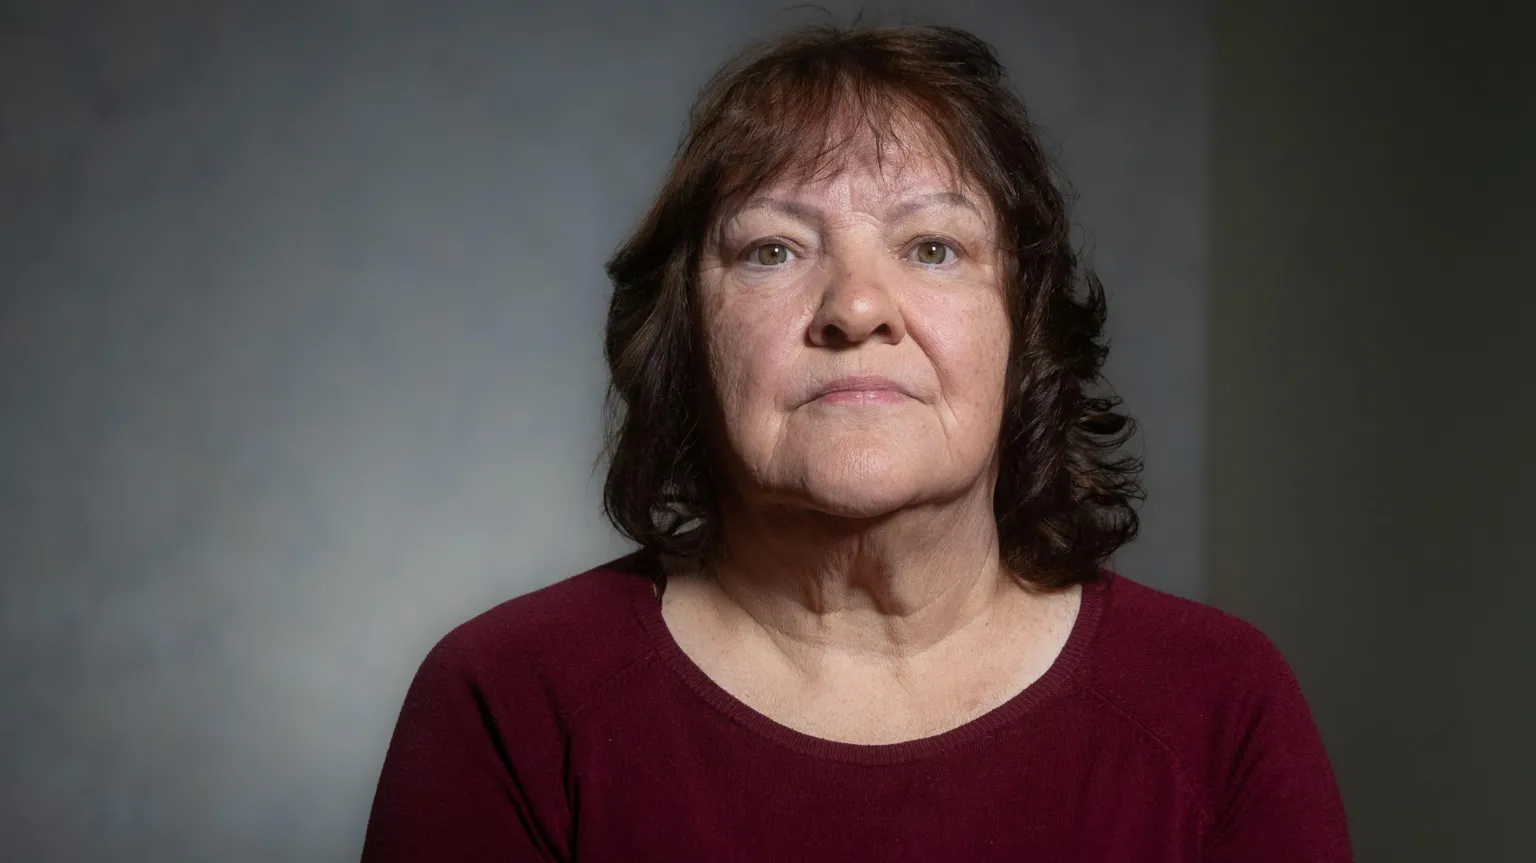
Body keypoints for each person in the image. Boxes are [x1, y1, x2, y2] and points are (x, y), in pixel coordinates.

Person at [361, 22, 1352, 862]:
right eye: (773, 250)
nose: (857, 306)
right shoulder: (509, 700)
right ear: (685, 336)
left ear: (1025, 327)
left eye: (933, 247)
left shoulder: (1216, 701)